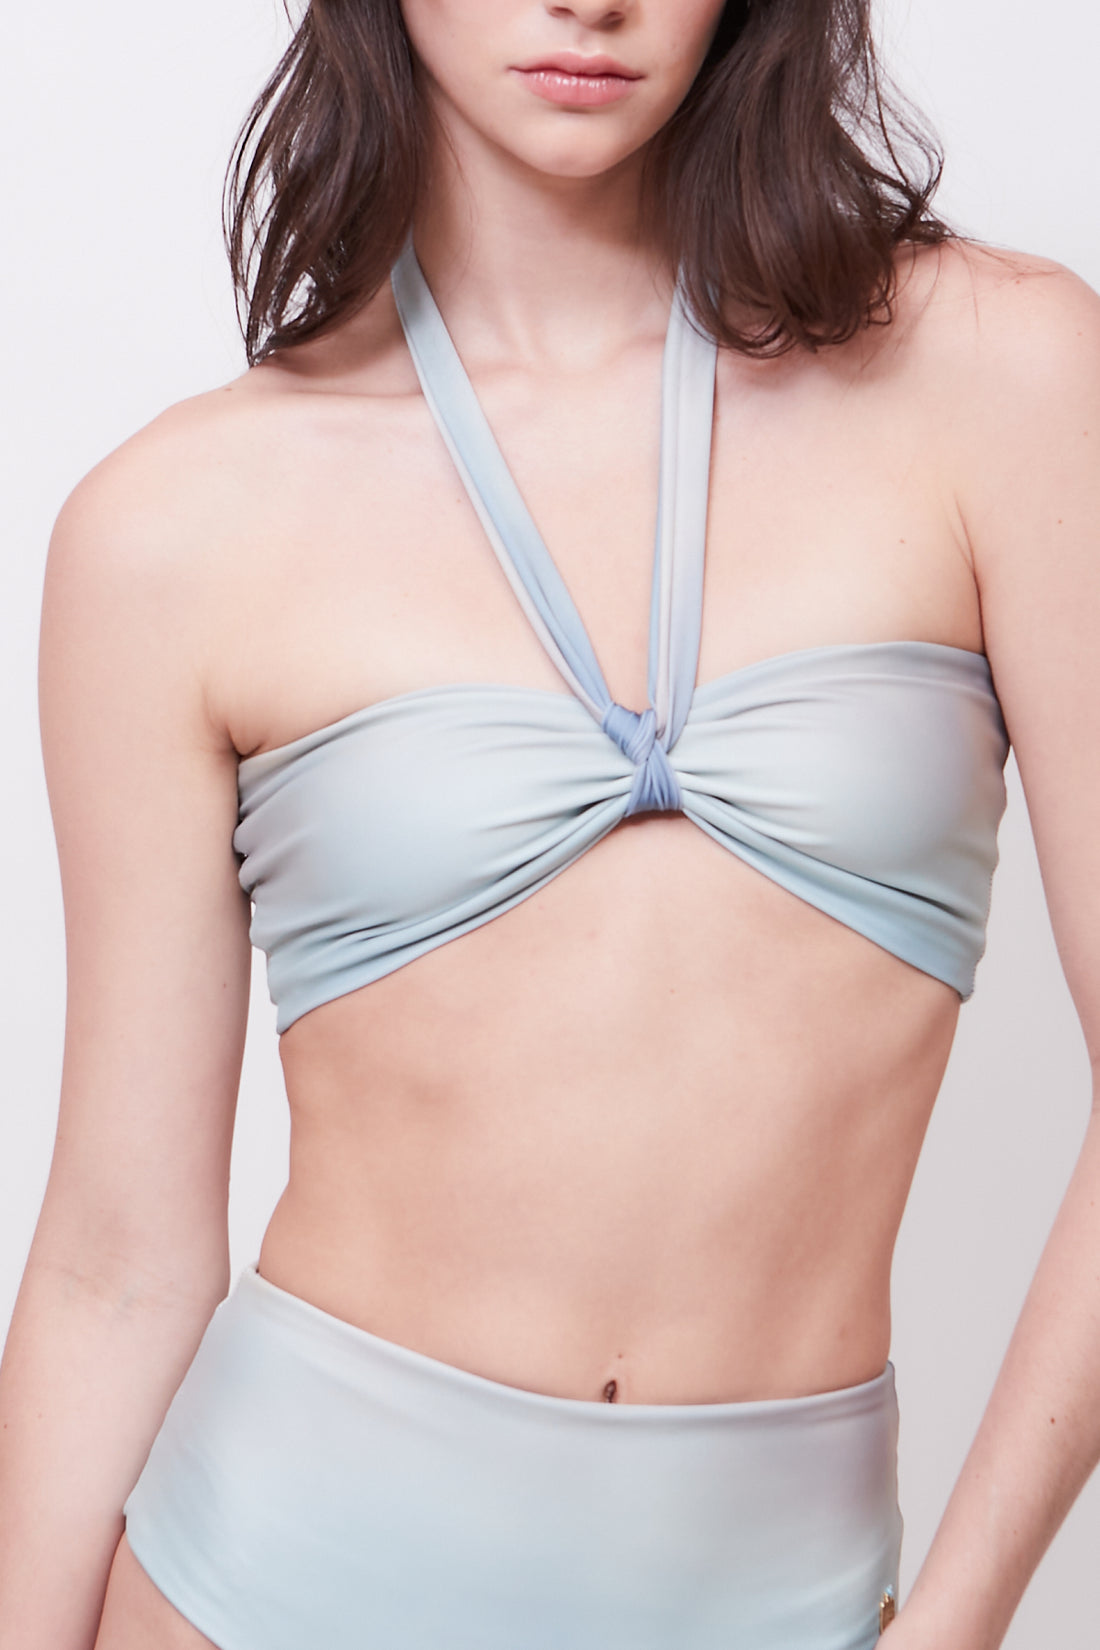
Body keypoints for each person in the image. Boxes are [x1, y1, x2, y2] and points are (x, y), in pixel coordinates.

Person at [1, 1, 1099, 1646]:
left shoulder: (1003, 376)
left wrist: (956, 1620)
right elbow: (116, 1257)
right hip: (260, 1587)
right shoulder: (167, 530)